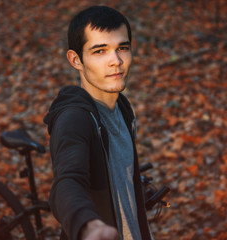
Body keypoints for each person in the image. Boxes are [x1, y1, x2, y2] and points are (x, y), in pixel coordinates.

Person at [44, 6, 153, 240]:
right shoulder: (74, 120)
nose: (116, 61)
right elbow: (66, 182)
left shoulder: (123, 107)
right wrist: (89, 226)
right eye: (100, 51)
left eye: (122, 48)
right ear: (76, 60)